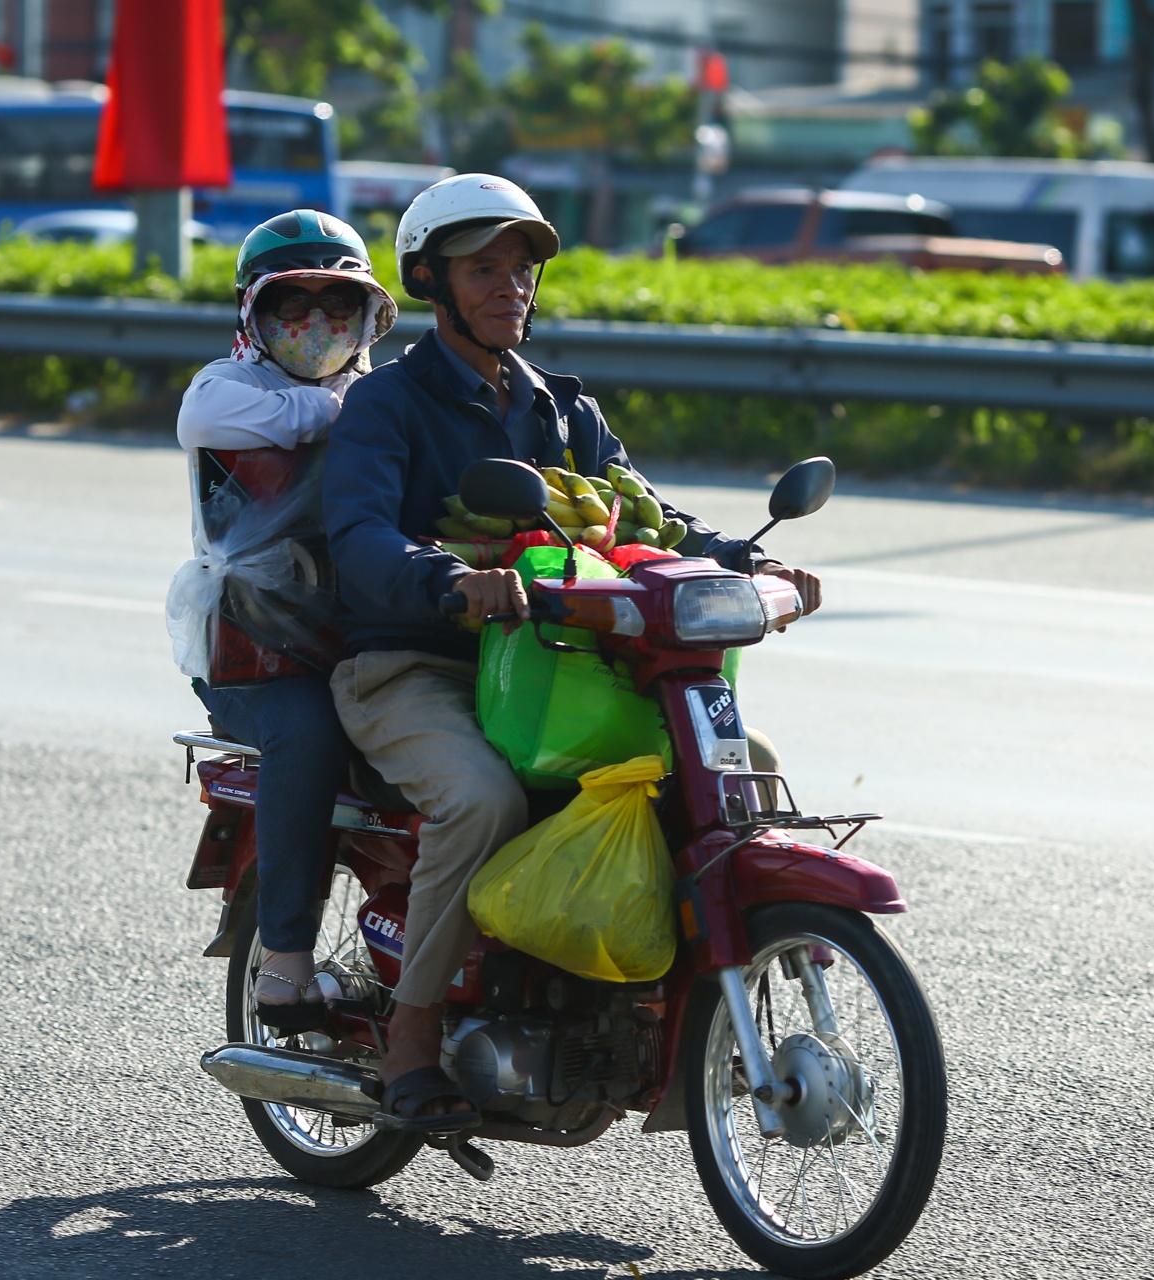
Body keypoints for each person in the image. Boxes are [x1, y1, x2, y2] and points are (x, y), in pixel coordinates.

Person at [323, 175, 822, 1128]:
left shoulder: (561, 409)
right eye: (482, 269)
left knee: (742, 770)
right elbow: (358, 538)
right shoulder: (387, 406)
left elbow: (650, 514)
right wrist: (448, 578)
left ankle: (661, 1008)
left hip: (560, 666)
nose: (510, 285)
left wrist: (750, 562)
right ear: (429, 279)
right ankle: (412, 1043)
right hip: (419, 667)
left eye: (521, 267)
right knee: (483, 799)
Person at [167, 209, 396, 1032]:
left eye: (338, 308)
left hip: (368, 635)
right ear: (251, 316)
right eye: (290, 308)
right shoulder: (225, 391)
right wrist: (378, 412)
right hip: (255, 654)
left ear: (368, 316)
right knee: (308, 732)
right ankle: (289, 963)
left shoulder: (378, 394)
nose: (315, 327)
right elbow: (293, 424)